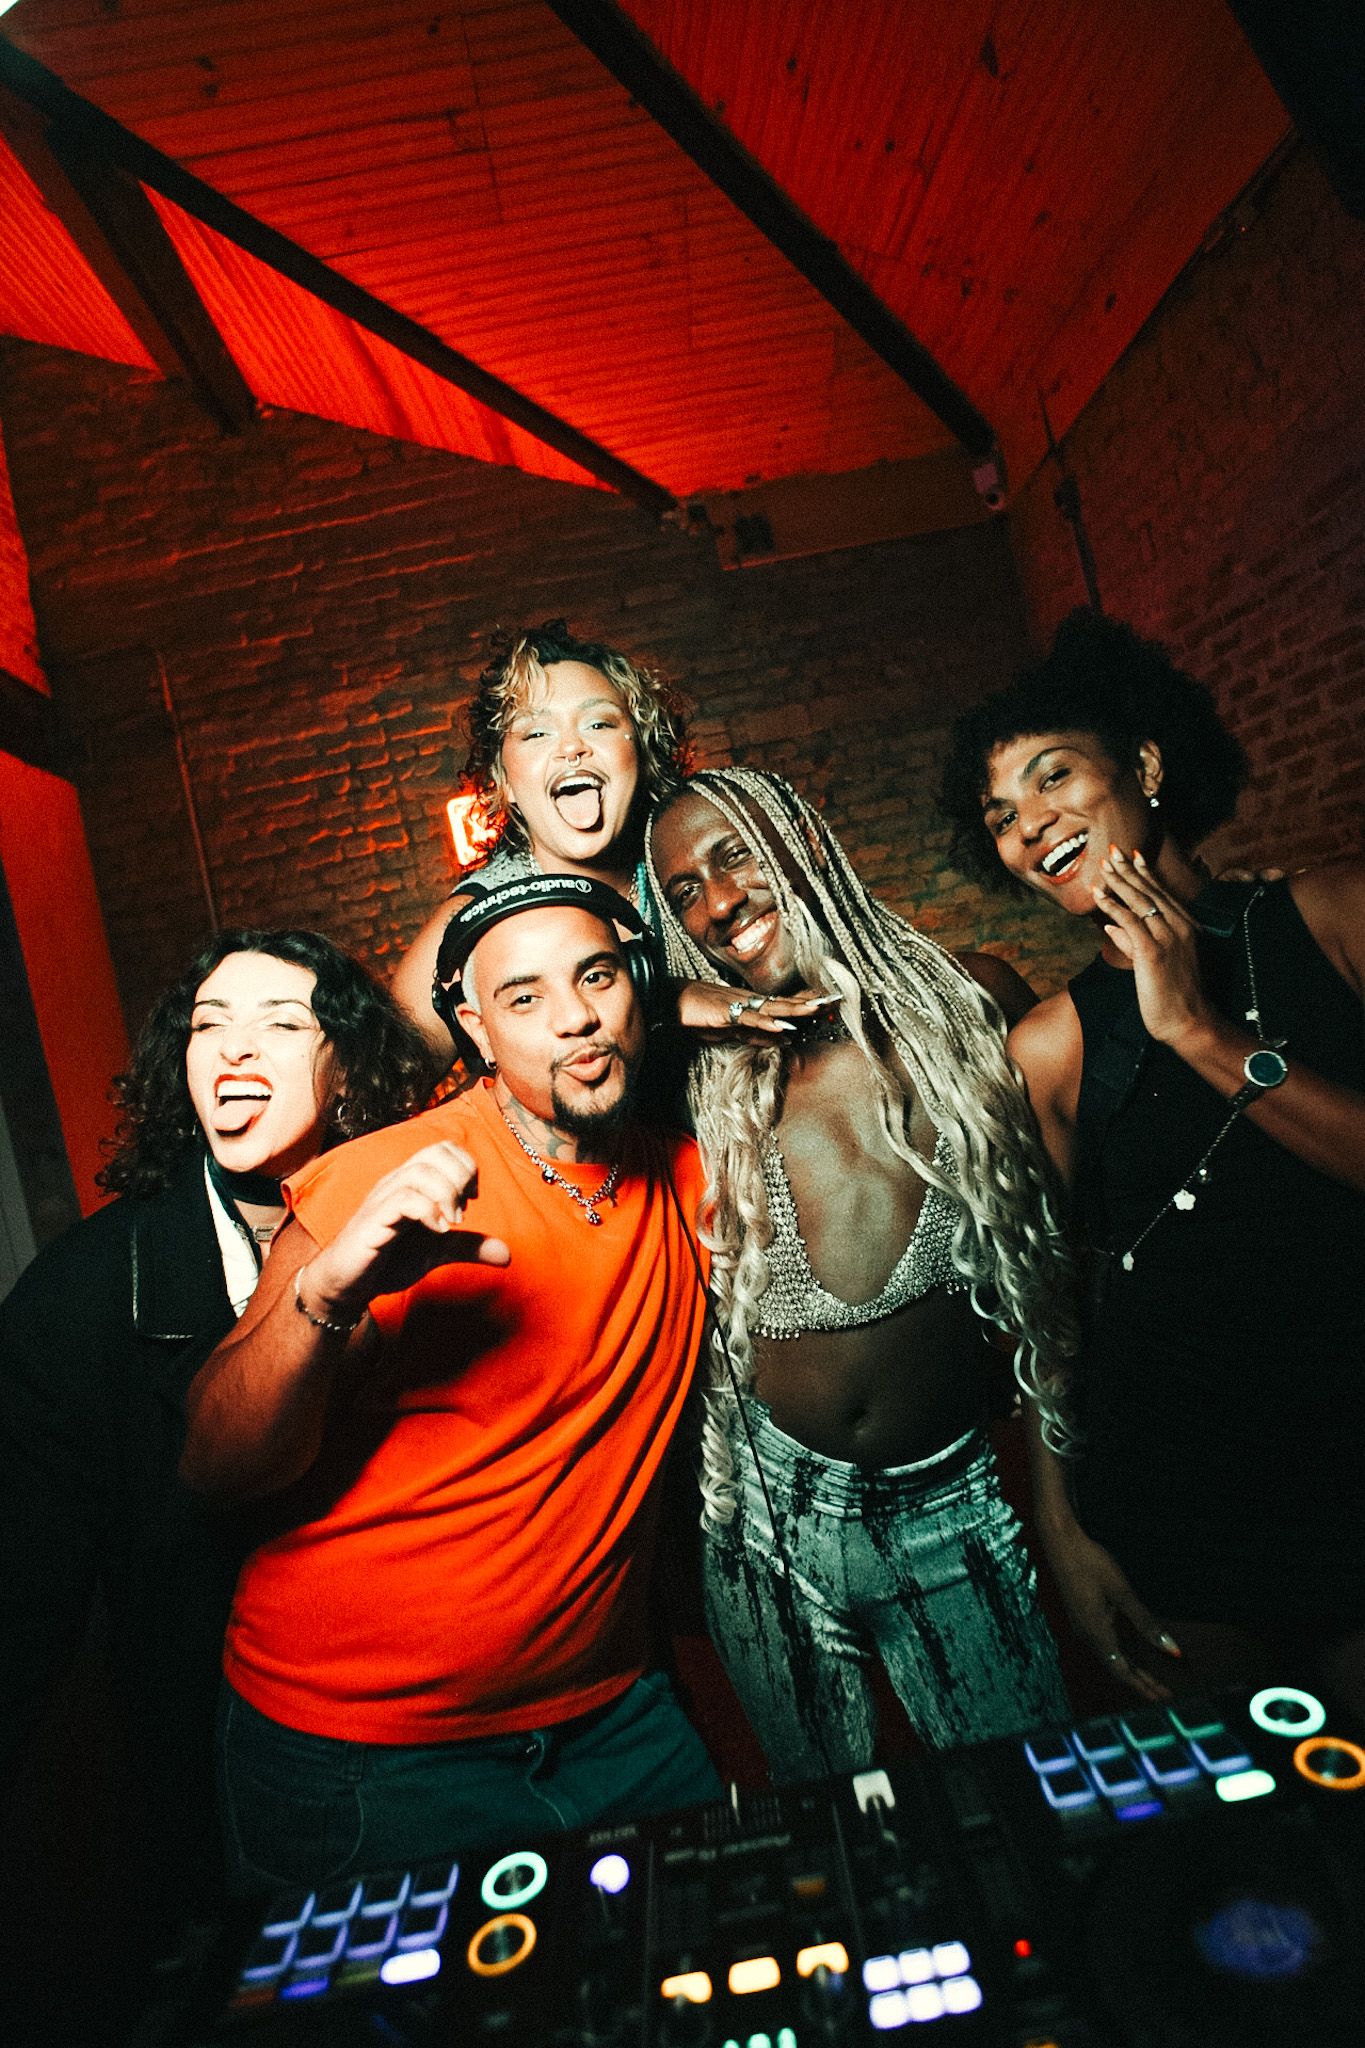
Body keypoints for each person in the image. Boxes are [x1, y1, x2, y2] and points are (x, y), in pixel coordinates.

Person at [179, 879, 723, 1890]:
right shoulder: (384, 1176)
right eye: (523, 997)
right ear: (474, 1028)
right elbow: (212, 1463)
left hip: (613, 1722)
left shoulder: (690, 1179)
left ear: (637, 989)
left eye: (597, 976)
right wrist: (324, 1297)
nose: (573, 1017)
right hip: (360, 1752)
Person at [940, 608, 1365, 1713]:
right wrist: (1063, 1522)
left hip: (1352, 1453)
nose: (1030, 825)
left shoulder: (1333, 917)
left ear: (1147, 767)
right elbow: (1045, 1302)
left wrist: (1200, 1035)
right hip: (1176, 1492)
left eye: (1053, 777)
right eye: (1001, 816)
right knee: (1230, 1810)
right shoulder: (1050, 1049)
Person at [0, 931, 430, 1967]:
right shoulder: (77, 1298)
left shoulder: (433, 1241)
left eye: (282, 1023)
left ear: (351, 1069)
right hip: (217, 1796)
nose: (235, 1048)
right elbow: (26, 1603)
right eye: (208, 1025)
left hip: (427, 1758)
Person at [645, 768, 1077, 1783]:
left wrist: (1064, 1512)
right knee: (823, 1826)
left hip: (954, 1502)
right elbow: (546, 1023)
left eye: (735, 854)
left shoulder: (970, 1001)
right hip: (763, 1517)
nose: (718, 902)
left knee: (1020, 1795)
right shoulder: (691, 1074)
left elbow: (1059, 1270)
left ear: (803, 837)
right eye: (683, 892)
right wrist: (671, 1004)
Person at [391, 619, 815, 1065]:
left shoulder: (684, 860)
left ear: (642, 753)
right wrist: (662, 999)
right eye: (536, 733)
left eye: (599, 723)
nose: (571, 748)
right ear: (504, 781)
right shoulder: (476, 919)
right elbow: (386, 1085)